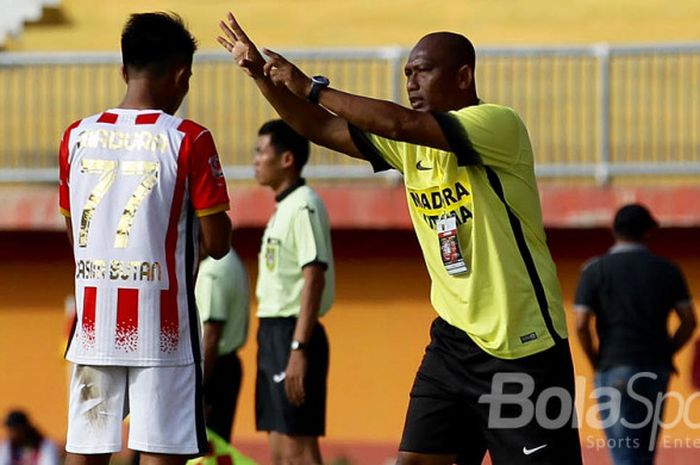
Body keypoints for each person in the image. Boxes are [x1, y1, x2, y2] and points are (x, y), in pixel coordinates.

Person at [217, 13, 582, 465]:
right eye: (407, 72)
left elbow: (400, 124)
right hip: (454, 340)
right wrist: (263, 78)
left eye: (423, 70)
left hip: (522, 348)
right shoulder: (411, 146)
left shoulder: (497, 125)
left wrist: (313, 87)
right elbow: (319, 128)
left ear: (464, 76)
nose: (411, 81)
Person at [58, 12, 232, 465]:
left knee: (86, 448)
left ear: (123, 69)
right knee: (161, 451)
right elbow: (218, 244)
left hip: (94, 323)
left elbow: (73, 232)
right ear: (181, 74)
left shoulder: (76, 136)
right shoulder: (188, 138)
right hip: (163, 329)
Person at [575, 204, 696, 465]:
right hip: (655, 368)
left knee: (624, 453)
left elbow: (581, 324)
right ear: (647, 233)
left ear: (614, 230)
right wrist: (667, 351)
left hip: (613, 367)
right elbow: (688, 321)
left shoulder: (595, 270)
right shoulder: (667, 269)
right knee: (643, 454)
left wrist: (596, 361)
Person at [252, 119, 335, 465]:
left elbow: (314, 274)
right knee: (278, 449)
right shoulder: (283, 206)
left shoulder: (304, 205)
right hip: (273, 332)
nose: (255, 159)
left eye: (261, 152)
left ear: (287, 159)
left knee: (297, 449)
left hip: (293, 334)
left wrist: (299, 347)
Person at [196, 247, 250, 441]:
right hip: (224, 366)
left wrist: (198, 386)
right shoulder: (231, 259)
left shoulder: (214, 270)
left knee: (206, 448)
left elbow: (211, 335)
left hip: (212, 367)